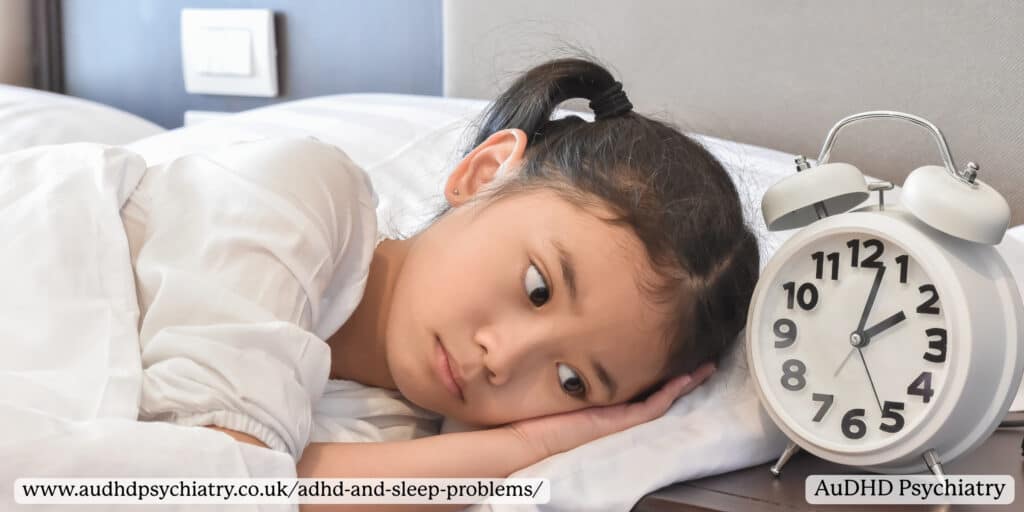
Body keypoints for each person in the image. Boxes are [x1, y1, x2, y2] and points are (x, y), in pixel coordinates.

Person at [123, 57, 759, 510]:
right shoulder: (305, 194)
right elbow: (196, 487)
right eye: (538, 287)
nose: (503, 359)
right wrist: (514, 448)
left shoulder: (397, 439)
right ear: (484, 173)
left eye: (573, 382)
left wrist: (527, 446)